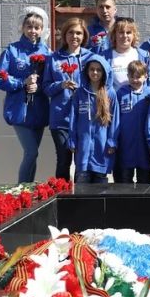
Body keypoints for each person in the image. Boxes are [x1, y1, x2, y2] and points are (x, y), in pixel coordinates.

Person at [0, 7, 51, 184]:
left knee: (33, 153)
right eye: (29, 26)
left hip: (39, 109)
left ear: (42, 29)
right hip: (19, 110)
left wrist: (40, 86)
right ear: (22, 27)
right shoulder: (12, 50)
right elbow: (1, 79)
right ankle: (20, 190)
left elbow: (50, 81)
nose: (33, 31)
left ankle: (28, 191)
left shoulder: (47, 53)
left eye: (37, 27)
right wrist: (23, 83)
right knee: (31, 151)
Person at [43, 17, 94, 180]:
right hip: (60, 118)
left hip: (84, 117)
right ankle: (61, 195)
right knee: (64, 160)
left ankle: (81, 196)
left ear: (84, 36)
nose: (75, 36)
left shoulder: (90, 58)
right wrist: (61, 85)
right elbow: (46, 88)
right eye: (71, 32)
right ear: (65, 35)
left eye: (79, 33)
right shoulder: (54, 58)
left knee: (82, 161)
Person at [69, 56, 119, 184]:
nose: (95, 73)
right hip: (83, 149)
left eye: (98, 70)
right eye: (92, 69)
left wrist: (112, 141)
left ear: (104, 72)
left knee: (100, 191)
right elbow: (73, 118)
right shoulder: (79, 93)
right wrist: (73, 140)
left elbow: (115, 120)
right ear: (86, 71)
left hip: (102, 150)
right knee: (82, 187)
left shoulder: (110, 93)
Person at [115, 60, 150, 184]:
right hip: (125, 145)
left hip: (144, 146)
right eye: (131, 76)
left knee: (144, 182)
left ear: (146, 76)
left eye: (138, 77)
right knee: (125, 181)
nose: (135, 80)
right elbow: (115, 117)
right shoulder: (121, 93)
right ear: (127, 76)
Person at [102, 17, 143, 91]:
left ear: (134, 35)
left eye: (128, 32)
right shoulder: (104, 57)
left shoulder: (143, 56)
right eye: (121, 32)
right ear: (114, 34)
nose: (125, 36)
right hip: (114, 100)